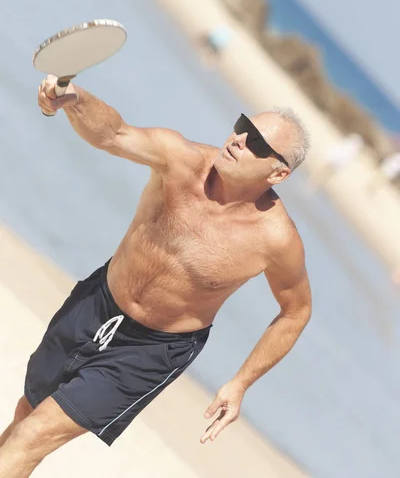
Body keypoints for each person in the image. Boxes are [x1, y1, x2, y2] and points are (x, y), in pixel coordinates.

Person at [0, 75, 312, 477]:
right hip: (97, 302)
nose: (238, 140)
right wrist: (74, 98)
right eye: (242, 127)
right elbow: (114, 134)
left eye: (256, 142)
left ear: (277, 173)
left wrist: (240, 383)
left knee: (35, 434)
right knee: (26, 416)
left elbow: (295, 311)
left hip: (149, 352)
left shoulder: (275, 239)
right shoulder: (180, 160)